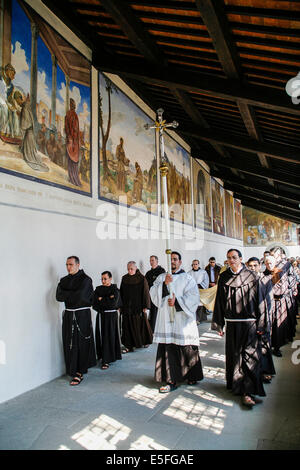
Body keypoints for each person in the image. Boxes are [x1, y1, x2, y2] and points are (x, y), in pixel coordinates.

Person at [211, 248, 266, 408]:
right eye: (228, 258)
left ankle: (248, 391)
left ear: (241, 259)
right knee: (234, 356)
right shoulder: (224, 277)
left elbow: (261, 301)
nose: (231, 260)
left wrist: (261, 324)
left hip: (249, 323)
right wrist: (219, 323)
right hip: (232, 323)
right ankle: (236, 385)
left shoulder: (252, 276)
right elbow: (220, 301)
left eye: (234, 257)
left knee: (249, 357)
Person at [150, 251, 204, 393]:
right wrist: (164, 285)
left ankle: (191, 375)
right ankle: (171, 379)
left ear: (180, 262)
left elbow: (194, 297)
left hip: (183, 320)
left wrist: (178, 302)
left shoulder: (188, 278)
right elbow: (153, 294)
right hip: (167, 320)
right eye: (170, 260)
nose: (172, 262)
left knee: (186, 346)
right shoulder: (162, 277)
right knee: (169, 348)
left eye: (175, 259)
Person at [56, 256, 96, 385]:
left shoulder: (86, 280)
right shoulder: (64, 280)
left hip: (82, 314)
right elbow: (58, 296)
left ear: (78, 265)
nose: (68, 267)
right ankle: (72, 369)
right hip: (68, 314)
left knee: (81, 342)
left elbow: (80, 297)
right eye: (67, 264)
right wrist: (71, 294)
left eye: (71, 264)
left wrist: (68, 294)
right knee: (69, 341)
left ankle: (80, 371)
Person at [120, 261, 152, 352]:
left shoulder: (141, 278)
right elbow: (121, 293)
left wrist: (146, 305)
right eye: (128, 269)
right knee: (127, 325)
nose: (130, 271)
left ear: (135, 268)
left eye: (131, 269)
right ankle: (129, 345)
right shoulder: (124, 278)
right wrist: (120, 306)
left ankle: (144, 341)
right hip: (127, 306)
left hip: (138, 306)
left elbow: (146, 292)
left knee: (140, 324)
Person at [93, 271, 122, 370]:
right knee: (103, 337)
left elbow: (113, 304)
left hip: (112, 316)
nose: (103, 281)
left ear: (110, 279)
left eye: (105, 279)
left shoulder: (115, 289)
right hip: (102, 315)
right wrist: (107, 299)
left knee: (112, 336)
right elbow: (94, 303)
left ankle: (112, 356)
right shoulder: (98, 289)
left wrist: (102, 299)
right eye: (102, 279)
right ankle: (104, 359)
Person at [17, 92, 49, 172]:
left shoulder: (25, 108)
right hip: (29, 133)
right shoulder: (26, 108)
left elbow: (25, 124)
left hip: (28, 133)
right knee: (29, 150)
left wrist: (19, 117)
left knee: (30, 154)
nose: (17, 103)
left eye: (18, 101)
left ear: (20, 99)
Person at [145, 256, 165, 332]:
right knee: (151, 314)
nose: (151, 262)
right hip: (150, 296)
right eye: (150, 260)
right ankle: (151, 331)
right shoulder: (148, 273)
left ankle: (157, 330)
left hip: (158, 296)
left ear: (157, 261)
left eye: (153, 260)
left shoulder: (161, 271)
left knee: (157, 314)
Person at [65, 98, 81, 187]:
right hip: (73, 140)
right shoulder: (72, 114)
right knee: (73, 159)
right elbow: (72, 128)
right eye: (73, 104)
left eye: (74, 104)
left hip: (72, 140)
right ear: (71, 105)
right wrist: (71, 136)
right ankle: (72, 177)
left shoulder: (70, 114)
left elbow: (69, 128)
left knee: (72, 159)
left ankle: (72, 177)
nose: (74, 106)